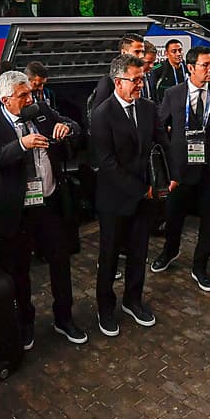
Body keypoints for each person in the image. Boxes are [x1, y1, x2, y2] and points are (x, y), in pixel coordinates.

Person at [0, 70, 87, 348]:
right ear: (5, 99)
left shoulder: (41, 111)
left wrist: (67, 130)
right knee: (19, 270)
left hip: (49, 203)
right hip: (18, 210)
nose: (30, 99)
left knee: (60, 263)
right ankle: (25, 321)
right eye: (23, 95)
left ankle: (64, 318)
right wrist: (20, 145)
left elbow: (72, 124)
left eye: (31, 93)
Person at [89, 54, 167, 337]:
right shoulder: (101, 115)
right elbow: (106, 163)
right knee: (109, 256)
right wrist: (139, 189)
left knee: (139, 252)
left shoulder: (147, 108)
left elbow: (162, 143)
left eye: (142, 78)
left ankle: (133, 300)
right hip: (114, 200)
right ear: (118, 81)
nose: (140, 84)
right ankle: (105, 307)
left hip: (145, 198)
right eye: (135, 80)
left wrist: (170, 178)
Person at [151, 47, 210, 292]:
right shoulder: (173, 94)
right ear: (190, 68)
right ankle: (170, 251)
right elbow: (159, 128)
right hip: (181, 169)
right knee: (174, 215)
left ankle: (200, 265)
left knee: (209, 219)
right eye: (205, 65)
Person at [89, 34, 146, 112]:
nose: (142, 56)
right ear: (123, 52)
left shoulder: (145, 77)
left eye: (143, 52)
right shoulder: (107, 82)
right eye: (137, 52)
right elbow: (97, 114)